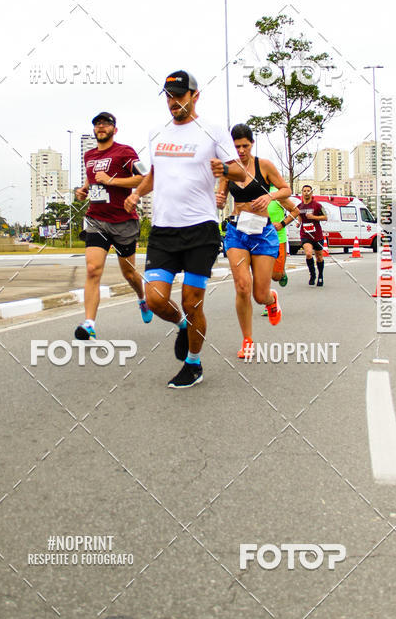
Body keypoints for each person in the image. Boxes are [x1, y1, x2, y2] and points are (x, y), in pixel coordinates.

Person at [124, 71, 243, 388]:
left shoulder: (213, 131)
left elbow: (241, 172)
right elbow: (154, 174)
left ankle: (193, 363)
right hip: (164, 231)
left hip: (200, 231)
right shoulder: (156, 132)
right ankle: (180, 324)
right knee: (155, 299)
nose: (173, 101)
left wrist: (225, 169)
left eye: (179, 94)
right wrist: (137, 193)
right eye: (168, 95)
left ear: (195, 95)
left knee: (193, 302)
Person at [215, 125, 299, 360]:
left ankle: (271, 300)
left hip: (262, 234)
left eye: (245, 145)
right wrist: (220, 200)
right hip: (237, 233)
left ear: (252, 144)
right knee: (242, 286)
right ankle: (247, 340)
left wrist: (269, 195)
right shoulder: (228, 168)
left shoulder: (265, 166)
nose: (241, 150)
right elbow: (221, 200)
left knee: (259, 295)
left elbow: (286, 189)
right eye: (237, 146)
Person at [74, 112, 152, 340]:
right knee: (92, 269)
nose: (101, 127)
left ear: (114, 130)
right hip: (97, 220)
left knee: (129, 273)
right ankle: (89, 323)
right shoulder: (88, 155)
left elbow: (145, 177)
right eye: (97, 124)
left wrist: (112, 180)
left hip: (123, 222)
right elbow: (92, 180)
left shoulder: (125, 152)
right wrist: (83, 191)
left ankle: (142, 298)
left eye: (106, 124)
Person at [289, 184, 327, 286]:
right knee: (309, 253)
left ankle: (320, 276)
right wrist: (299, 222)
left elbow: (325, 217)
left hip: (317, 235)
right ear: (302, 193)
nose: (306, 192)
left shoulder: (317, 205)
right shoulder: (299, 206)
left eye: (308, 191)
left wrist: (313, 217)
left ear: (311, 192)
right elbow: (300, 216)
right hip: (305, 234)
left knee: (319, 257)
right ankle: (312, 274)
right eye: (304, 191)